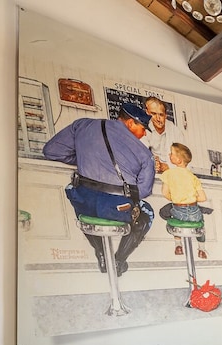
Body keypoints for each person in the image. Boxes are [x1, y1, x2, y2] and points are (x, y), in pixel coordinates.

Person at [42, 103, 155, 276]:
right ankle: (119, 261)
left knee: (76, 193)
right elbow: (143, 191)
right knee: (147, 213)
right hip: (116, 210)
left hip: (84, 204)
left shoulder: (81, 125)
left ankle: (101, 253)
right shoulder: (145, 154)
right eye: (143, 128)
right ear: (131, 123)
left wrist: (84, 160)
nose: (145, 133)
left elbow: (51, 151)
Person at [159, 142, 210, 260]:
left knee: (170, 214)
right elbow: (203, 198)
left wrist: (177, 198)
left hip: (179, 211)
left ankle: (178, 245)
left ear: (179, 160)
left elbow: (165, 193)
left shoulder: (168, 173)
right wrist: (189, 198)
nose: (169, 155)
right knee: (201, 221)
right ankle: (201, 249)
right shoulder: (193, 177)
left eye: (171, 153)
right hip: (193, 212)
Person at [142, 96, 185, 174]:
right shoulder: (144, 130)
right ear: (147, 113)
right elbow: (141, 154)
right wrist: (152, 162)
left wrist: (168, 167)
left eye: (161, 115)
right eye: (154, 114)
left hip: (173, 172)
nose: (158, 119)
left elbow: (185, 160)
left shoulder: (175, 131)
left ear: (165, 115)